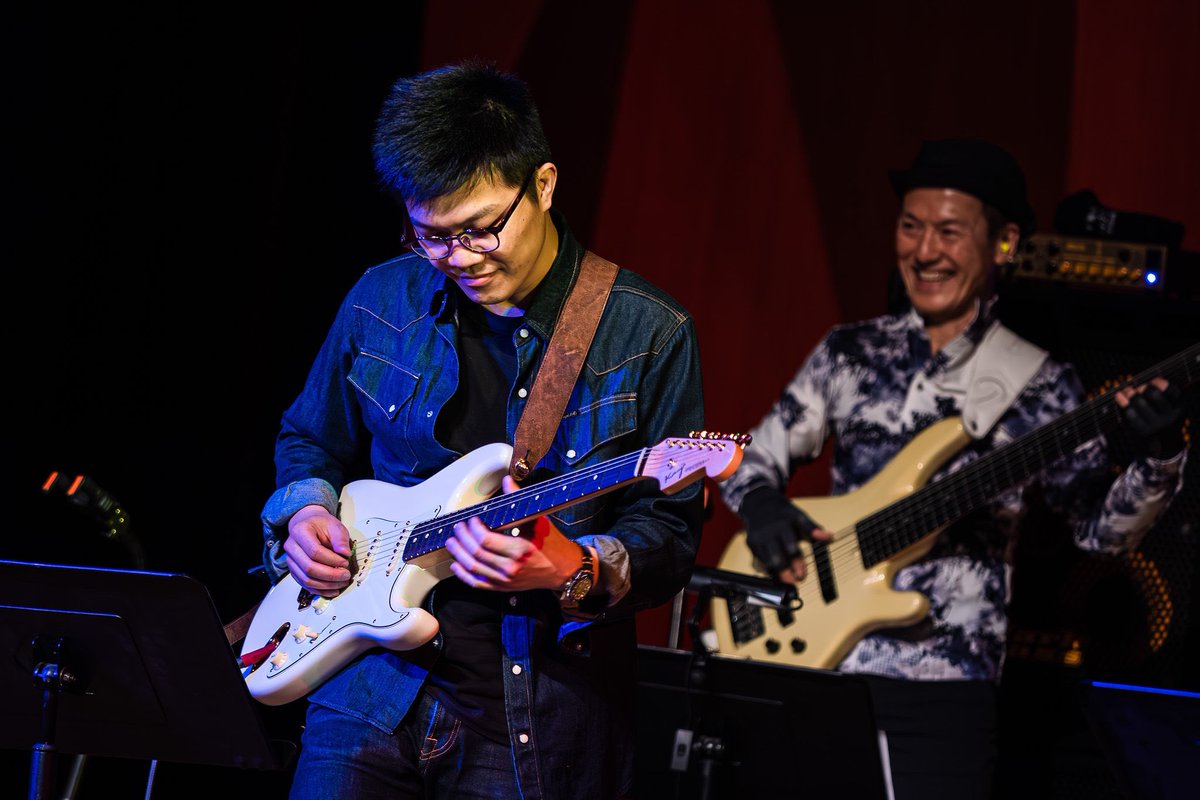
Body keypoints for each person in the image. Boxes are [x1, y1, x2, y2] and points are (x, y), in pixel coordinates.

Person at [258, 61, 705, 799]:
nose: (458, 258)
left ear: (544, 186)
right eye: (431, 236)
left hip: (532, 712)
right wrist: (305, 511)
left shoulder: (648, 332)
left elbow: (670, 535)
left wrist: (569, 568)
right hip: (366, 687)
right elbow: (310, 437)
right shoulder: (381, 297)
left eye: (481, 229)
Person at [717, 138, 1188, 799]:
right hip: (819, 669)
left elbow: (1102, 535)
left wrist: (1158, 455)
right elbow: (754, 458)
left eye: (949, 231)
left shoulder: (1041, 385)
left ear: (1004, 244)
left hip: (945, 690)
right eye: (911, 227)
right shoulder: (851, 352)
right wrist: (764, 508)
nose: (925, 250)